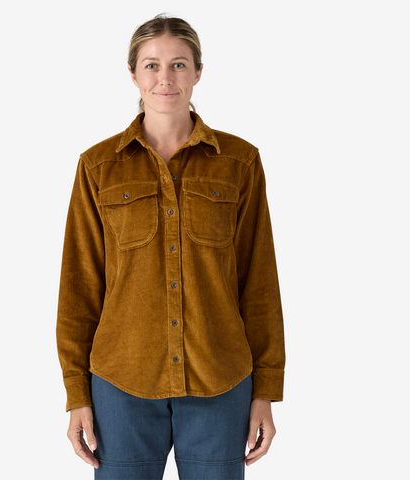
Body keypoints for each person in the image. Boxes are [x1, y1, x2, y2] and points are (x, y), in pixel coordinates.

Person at [56, 13, 285, 480]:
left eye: (179, 64)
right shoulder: (98, 167)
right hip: (122, 383)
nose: (165, 78)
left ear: (198, 71)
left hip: (220, 381)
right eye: (152, 65)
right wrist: (77, 394)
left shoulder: (239, 162)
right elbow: (79, 286)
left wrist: (265, 390)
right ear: (133, 74)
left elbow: (259, 281)